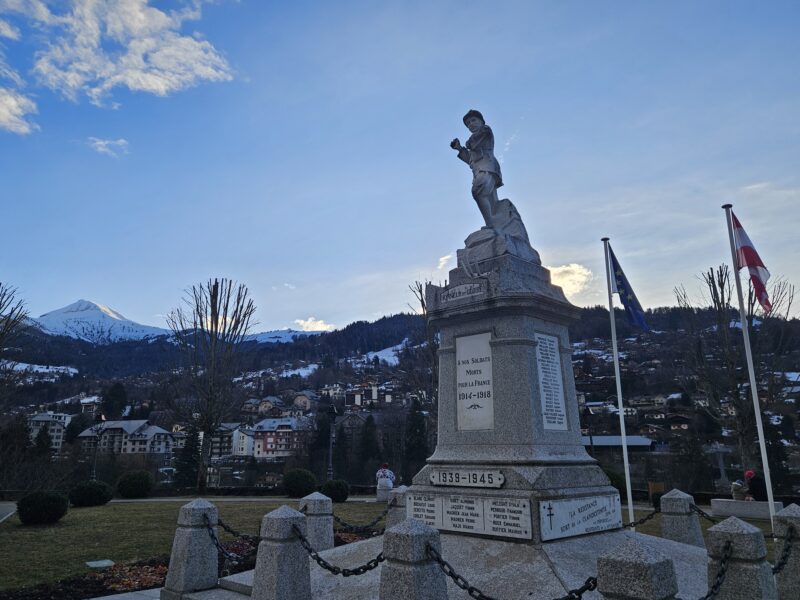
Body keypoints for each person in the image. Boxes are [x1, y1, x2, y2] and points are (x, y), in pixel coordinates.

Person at [450, 110, 503, 230]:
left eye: (473, 120)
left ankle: (490, 225)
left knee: (478, 192)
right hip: (479, 171)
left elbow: (475, 142)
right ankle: (496, 225)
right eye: (468, 123)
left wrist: (468, 144)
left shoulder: (485, 131)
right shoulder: (474, 139)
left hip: (488, 168)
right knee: (492, 202)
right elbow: (470, 159)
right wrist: (459, 149)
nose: (471, 124)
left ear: (481, 121)